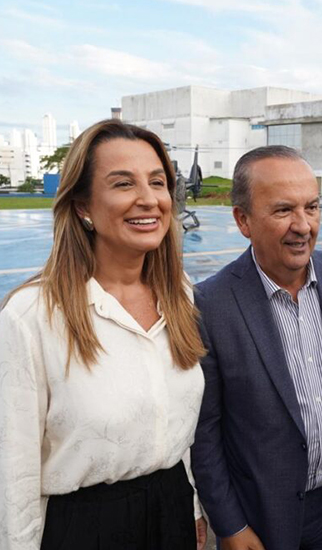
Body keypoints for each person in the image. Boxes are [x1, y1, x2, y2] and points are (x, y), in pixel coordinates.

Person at [0, 119, 208, 550]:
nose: (148, 199)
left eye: (157, 182)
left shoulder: (180, 295)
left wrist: (190, 507)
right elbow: (12, 471)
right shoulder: (31, 317)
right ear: (83, 206)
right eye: (123, 183)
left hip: (171, 510)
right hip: (85, 527)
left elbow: (176, 424)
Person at [191, 146, 322, 550]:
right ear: (243, 220)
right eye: (283, 210)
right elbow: (204, 432)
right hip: (259, 518)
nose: (303, 226)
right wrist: (230, 525)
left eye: (311, 207)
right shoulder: (210, 305)